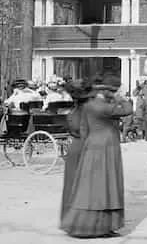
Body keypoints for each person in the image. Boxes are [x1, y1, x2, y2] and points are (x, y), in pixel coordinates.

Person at [61, 76, 134, 238]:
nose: (113, 94)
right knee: (106, 185)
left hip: (92, 147)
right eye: (111, 91)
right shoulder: (103, 107)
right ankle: (102, 226)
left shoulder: (88, 106)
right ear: (104, 92)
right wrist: (123, 98)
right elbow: (127, 110)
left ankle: (90, 224)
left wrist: (88, 147)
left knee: (91, 187)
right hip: (107, 148)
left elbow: (84, 129)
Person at [60, 79, 93, 222]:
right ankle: (82, 219)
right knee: (84, 184)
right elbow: (86, 132)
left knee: (71, 183)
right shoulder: (86, 113)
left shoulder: (72, 112)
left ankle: (69, 216)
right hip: (83, 147)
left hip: (73, 148)